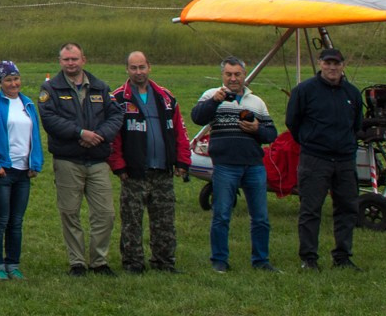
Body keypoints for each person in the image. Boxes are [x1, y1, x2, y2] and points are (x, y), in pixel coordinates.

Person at [38, 41, 123, 276]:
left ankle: (99, 261)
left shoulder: (100, 87)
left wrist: (100, 136)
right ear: (60, 62)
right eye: (66, 59)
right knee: (70, 212)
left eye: (74, 59)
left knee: (105, 213)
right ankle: (77, 262)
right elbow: (49, 119)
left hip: (97, 160)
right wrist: (79, 133)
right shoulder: (51, 89)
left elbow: (116, 116)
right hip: (68, 160)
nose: (70, 63)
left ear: (83, 59)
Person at [108, 50, 190, 275]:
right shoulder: (118, 98)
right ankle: (133, 263)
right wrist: (119, 166)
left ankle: (164, 261)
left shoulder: (166, 97)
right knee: (132, 220)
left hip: (162, 169)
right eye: (133, 68)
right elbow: (113, 136)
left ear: (149, 67)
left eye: (142, 67)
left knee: (165, 220)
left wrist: (183, 160)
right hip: (133, 173)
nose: (138, 72)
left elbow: (180, 132)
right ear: (127, 70)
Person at [191, 57, 277, 273]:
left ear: (244, 75)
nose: (233, 78)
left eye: (237, 74)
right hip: (225, 165)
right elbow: (197, 118)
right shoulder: (212, 95)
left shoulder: (256, 102)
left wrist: (257, 129)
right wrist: (214, 101)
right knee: (221, 214)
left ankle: (261, 260)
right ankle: (219, 260)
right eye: (229, 74)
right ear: (223, 76)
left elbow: (271, 134)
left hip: (253, 165)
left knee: (260, 217)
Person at [287, 47, 363, 272]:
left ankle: (342, 256)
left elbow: (357, 124)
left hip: (344, 160)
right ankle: (309, 258)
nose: (332, 68)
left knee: (347, 208)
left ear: (343, 66)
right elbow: (293, 122)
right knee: (310, 209)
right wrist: (311, 141)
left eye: (336, 63)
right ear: (320, 64)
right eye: (328, 63)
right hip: (315, 159)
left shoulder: (352, 93)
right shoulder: (304, 91)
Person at [0, 60, 41, 279]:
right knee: (0, 219)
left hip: (23, 172)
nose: (13, 84)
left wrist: (35, 164)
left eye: (16, 79)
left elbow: (35, 136)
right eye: (8, 80)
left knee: (16, 221)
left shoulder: (28, 104)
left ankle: (13, 262)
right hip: (1, 170)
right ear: (0, 82)